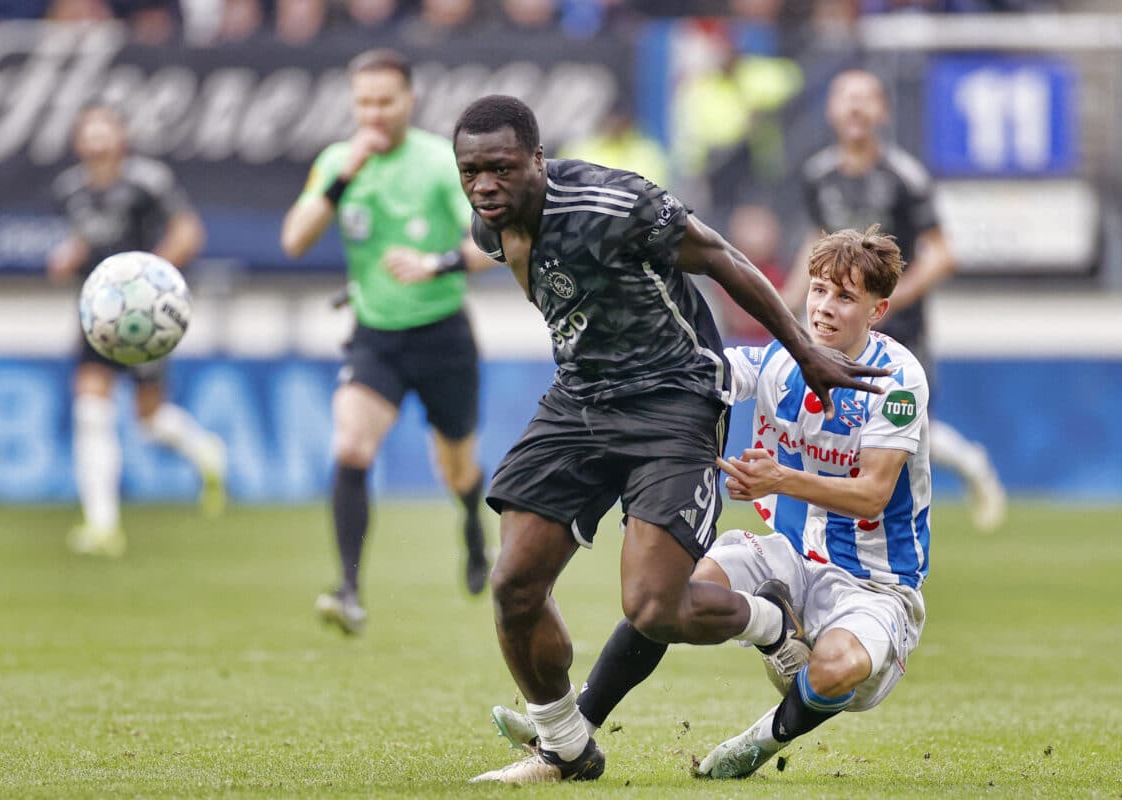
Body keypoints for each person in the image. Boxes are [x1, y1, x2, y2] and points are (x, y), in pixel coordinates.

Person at [452, 94, 891, 785]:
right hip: (580, 400)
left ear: (537, 160)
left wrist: (805, 349)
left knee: (654, 608)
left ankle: (769, 621)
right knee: (512, 586)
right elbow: (510, 263)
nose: (484, 186)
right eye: (470, 171)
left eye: (501, 169)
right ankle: (565, 747)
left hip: (672, 400)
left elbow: (720, 256)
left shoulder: (612, 203)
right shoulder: (490, 225)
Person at [488, 225, 931, 780]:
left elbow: (872, 494)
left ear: (878, 308)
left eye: (845, 296)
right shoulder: (777, 361)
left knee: (836, 668)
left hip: (876, 583)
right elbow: (693, 370)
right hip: (790, 556)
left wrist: (779, 480)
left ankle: (760, 741)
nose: (824, 307)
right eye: (818, 290)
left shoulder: (897, 380)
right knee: (665, 594)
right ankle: (576, 725)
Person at [280, 49, 496, 636]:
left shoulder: (438, 162)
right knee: (351, 446)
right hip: (375, 336)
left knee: (456, 469)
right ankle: (349, 589)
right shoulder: (336, 162)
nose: (373, 113)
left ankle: (473, 528)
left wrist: (437, 263)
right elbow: (294, 240)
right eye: (364, 102)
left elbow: (494, 242)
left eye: (385, 101)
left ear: (410, 101)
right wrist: (343, 173)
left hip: (443, 336)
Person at [783, 68, 1005, 531]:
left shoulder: (904, 176)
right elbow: (816, 243)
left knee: (907, 422)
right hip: (840, 324)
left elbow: (942, 253)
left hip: (897, 326)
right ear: (832, 110)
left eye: (866, 98)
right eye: (847, 97)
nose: (856, 107)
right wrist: (785, 301)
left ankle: (968, 465)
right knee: (836, 416)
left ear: (882, 111)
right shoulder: (818, 175)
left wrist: (890, 300)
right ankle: (831, 516)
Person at [48, 104, 227, 558]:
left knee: (148, 421)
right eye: (88, 130)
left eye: (105, 128)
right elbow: (89, 241)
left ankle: (204, 449)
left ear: (122, 137)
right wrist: (69, 255)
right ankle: (102, 525)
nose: (97, 138)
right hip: (96, 318)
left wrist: (150, 278)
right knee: (91, 411)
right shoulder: (71, 190)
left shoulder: (148, 181)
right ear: (78, 141)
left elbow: (189, 232)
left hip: (145, 321)